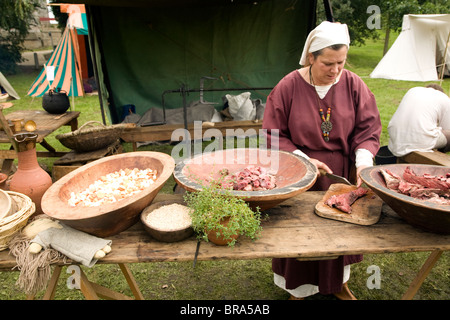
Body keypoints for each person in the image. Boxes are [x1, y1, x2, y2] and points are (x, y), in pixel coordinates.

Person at [262, 21, 381, 300]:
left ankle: (337, 284)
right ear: (311, 57)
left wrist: (363, 163)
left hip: (339, 174)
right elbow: (273, 133)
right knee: (299, 230)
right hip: (299, 173)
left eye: (341, 62)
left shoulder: (353, 84)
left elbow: (368, 128)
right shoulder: (288, 86)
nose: (336, 70)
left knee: (338, 231)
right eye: (328, 63)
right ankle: (299, 289)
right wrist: (304, 160)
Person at [388, 84, 450, 157]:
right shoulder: (444, 98)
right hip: (419, 139)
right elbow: (447, 129)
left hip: (394, 137)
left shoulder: (413, 90)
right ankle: (441, 159)